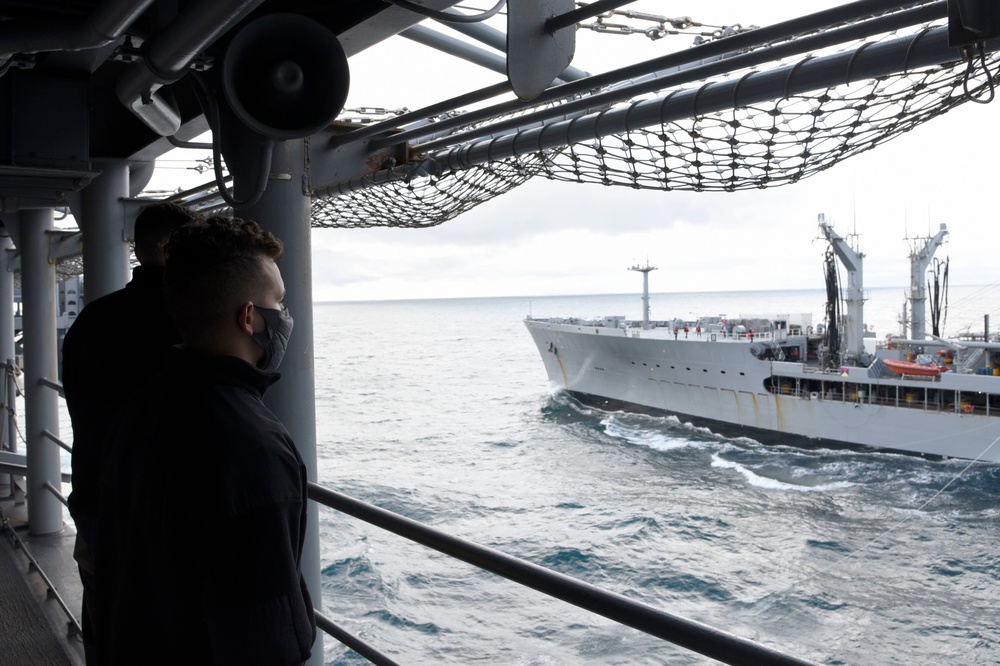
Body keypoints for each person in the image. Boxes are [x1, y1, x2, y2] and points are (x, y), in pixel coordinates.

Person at [96, 217, 315, 665]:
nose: (286, 316)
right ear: (250, 317)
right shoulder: (253, 447)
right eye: (280, 302)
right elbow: (261, 629)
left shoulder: (143, 405)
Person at [62, 201, 198, 663]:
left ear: (138, 249)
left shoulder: (91, 322)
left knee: (106, 621)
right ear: (176, 248)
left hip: (97, 502)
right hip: (167, 516)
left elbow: (77, 399)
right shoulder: (191, 323)